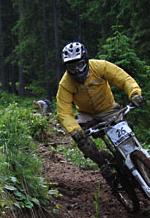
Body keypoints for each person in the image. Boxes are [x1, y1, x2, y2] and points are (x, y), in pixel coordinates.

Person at [56, 41, 143, 184]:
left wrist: (134, 93)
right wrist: (74, 129)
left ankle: (140, 165)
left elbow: (122, 78)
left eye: (80, 65)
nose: (77, 70)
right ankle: (102, 164)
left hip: (109, 109)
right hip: (86, 114)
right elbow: (64, 111)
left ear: (86, 60)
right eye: (72, 67)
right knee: (81, 138)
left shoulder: (100, 66)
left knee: (127, 139)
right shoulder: (65, 84)